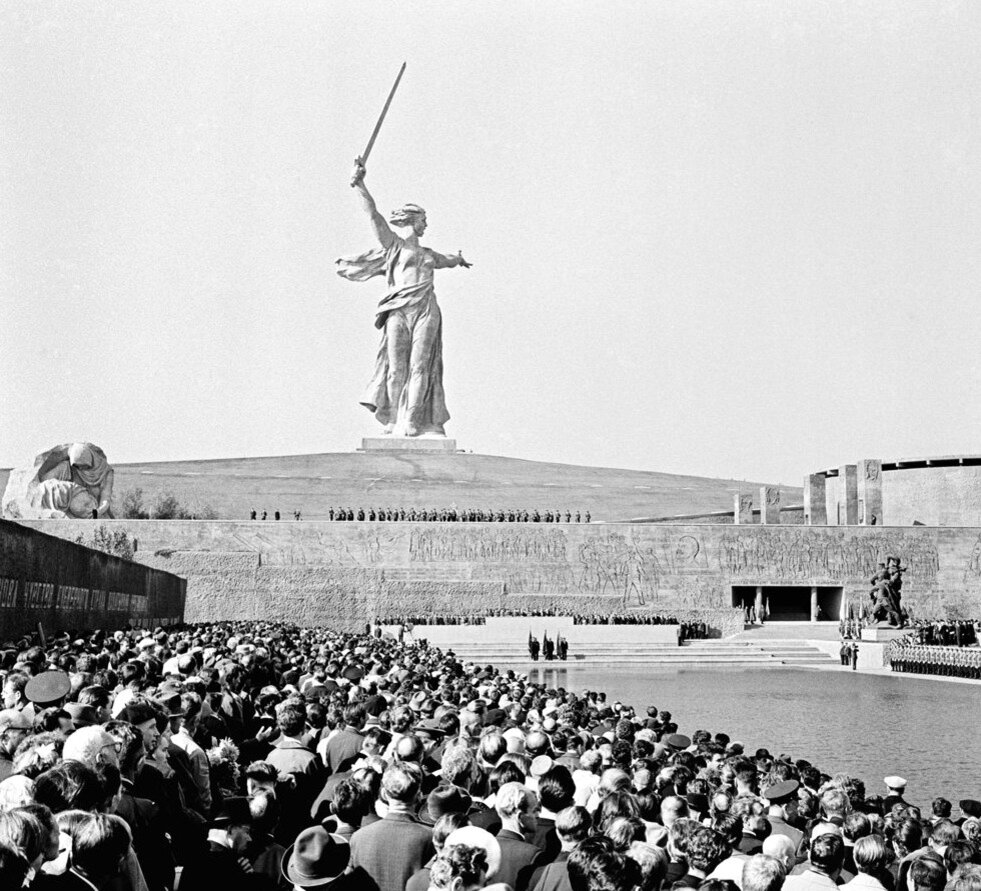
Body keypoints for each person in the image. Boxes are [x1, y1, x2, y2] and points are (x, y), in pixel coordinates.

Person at [337, 160, 471, 437]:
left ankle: (413, 420)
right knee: (396, 368)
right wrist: (360, 184)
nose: (426, 225)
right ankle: (394, 419)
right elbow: (374, 216)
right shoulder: (394, 246)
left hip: (426, 310)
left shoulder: (429, 255)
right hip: (398, 310)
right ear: (413, 220)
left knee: (421, 366)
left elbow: (449, 260)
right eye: (423, 220)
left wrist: (459, 259)